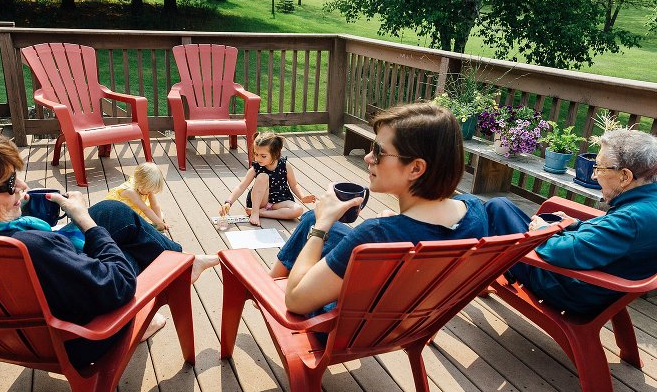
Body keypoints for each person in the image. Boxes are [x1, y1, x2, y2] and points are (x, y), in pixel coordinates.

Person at [0, 119, 219, 367]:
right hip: (77, 336)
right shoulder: (29, 246)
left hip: (2, 323)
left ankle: (183, 263)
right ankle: (179, 269)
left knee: (113, 211)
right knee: (121, 237)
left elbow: (12, 213)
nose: (21, 184)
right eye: (8, 184)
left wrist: (20, 202)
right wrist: (85, 223)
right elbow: (118, 284)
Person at [270, 102, 489, 316]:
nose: (368, 158)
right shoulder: (475, 212)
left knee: (314, 224)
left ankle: (265, 288)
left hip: (345, 326)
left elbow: (296, 301)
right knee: (309, 218)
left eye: (378, 151)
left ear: (416, 168)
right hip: (406, 320)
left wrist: (322, 225)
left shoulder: (375, 234)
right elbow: (434, 234)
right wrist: (401, 221)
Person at [485, 128, 657, 316]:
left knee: (497, 208)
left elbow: (562, 252)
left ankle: (482, 275)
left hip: (566, 287)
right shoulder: (647, 205)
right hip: (592, 283)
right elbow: (611, 238)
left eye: (599, 168)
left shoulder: (632, 220)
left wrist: (541, 232)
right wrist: (576, 224)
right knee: (504, 210)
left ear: (625, 176)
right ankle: (496, 270)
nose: (593, 175)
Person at [220, 132, 316, 226]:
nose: (258, 158)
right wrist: (228, 202)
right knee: (263, 176)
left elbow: (294, 185)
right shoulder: (256, 168)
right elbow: (241, 187)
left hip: (279, 200)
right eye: (256, 154)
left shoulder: (285, 165)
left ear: (275, 154)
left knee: (298, 210)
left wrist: (302, 197)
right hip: (261, 201)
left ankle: (262, 213)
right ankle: (255, 212)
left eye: (263, 156)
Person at [106, 162, 168, 231]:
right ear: (140, 184)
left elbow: (155, 205)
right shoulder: (130, 191)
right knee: (135, 225)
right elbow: (145, 209)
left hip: (137, 208)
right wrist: (158, 222)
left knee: (159, 215)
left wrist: (160, 222)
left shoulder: (145, 187)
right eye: (148, 191)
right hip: (121, 212)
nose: (149, 193)